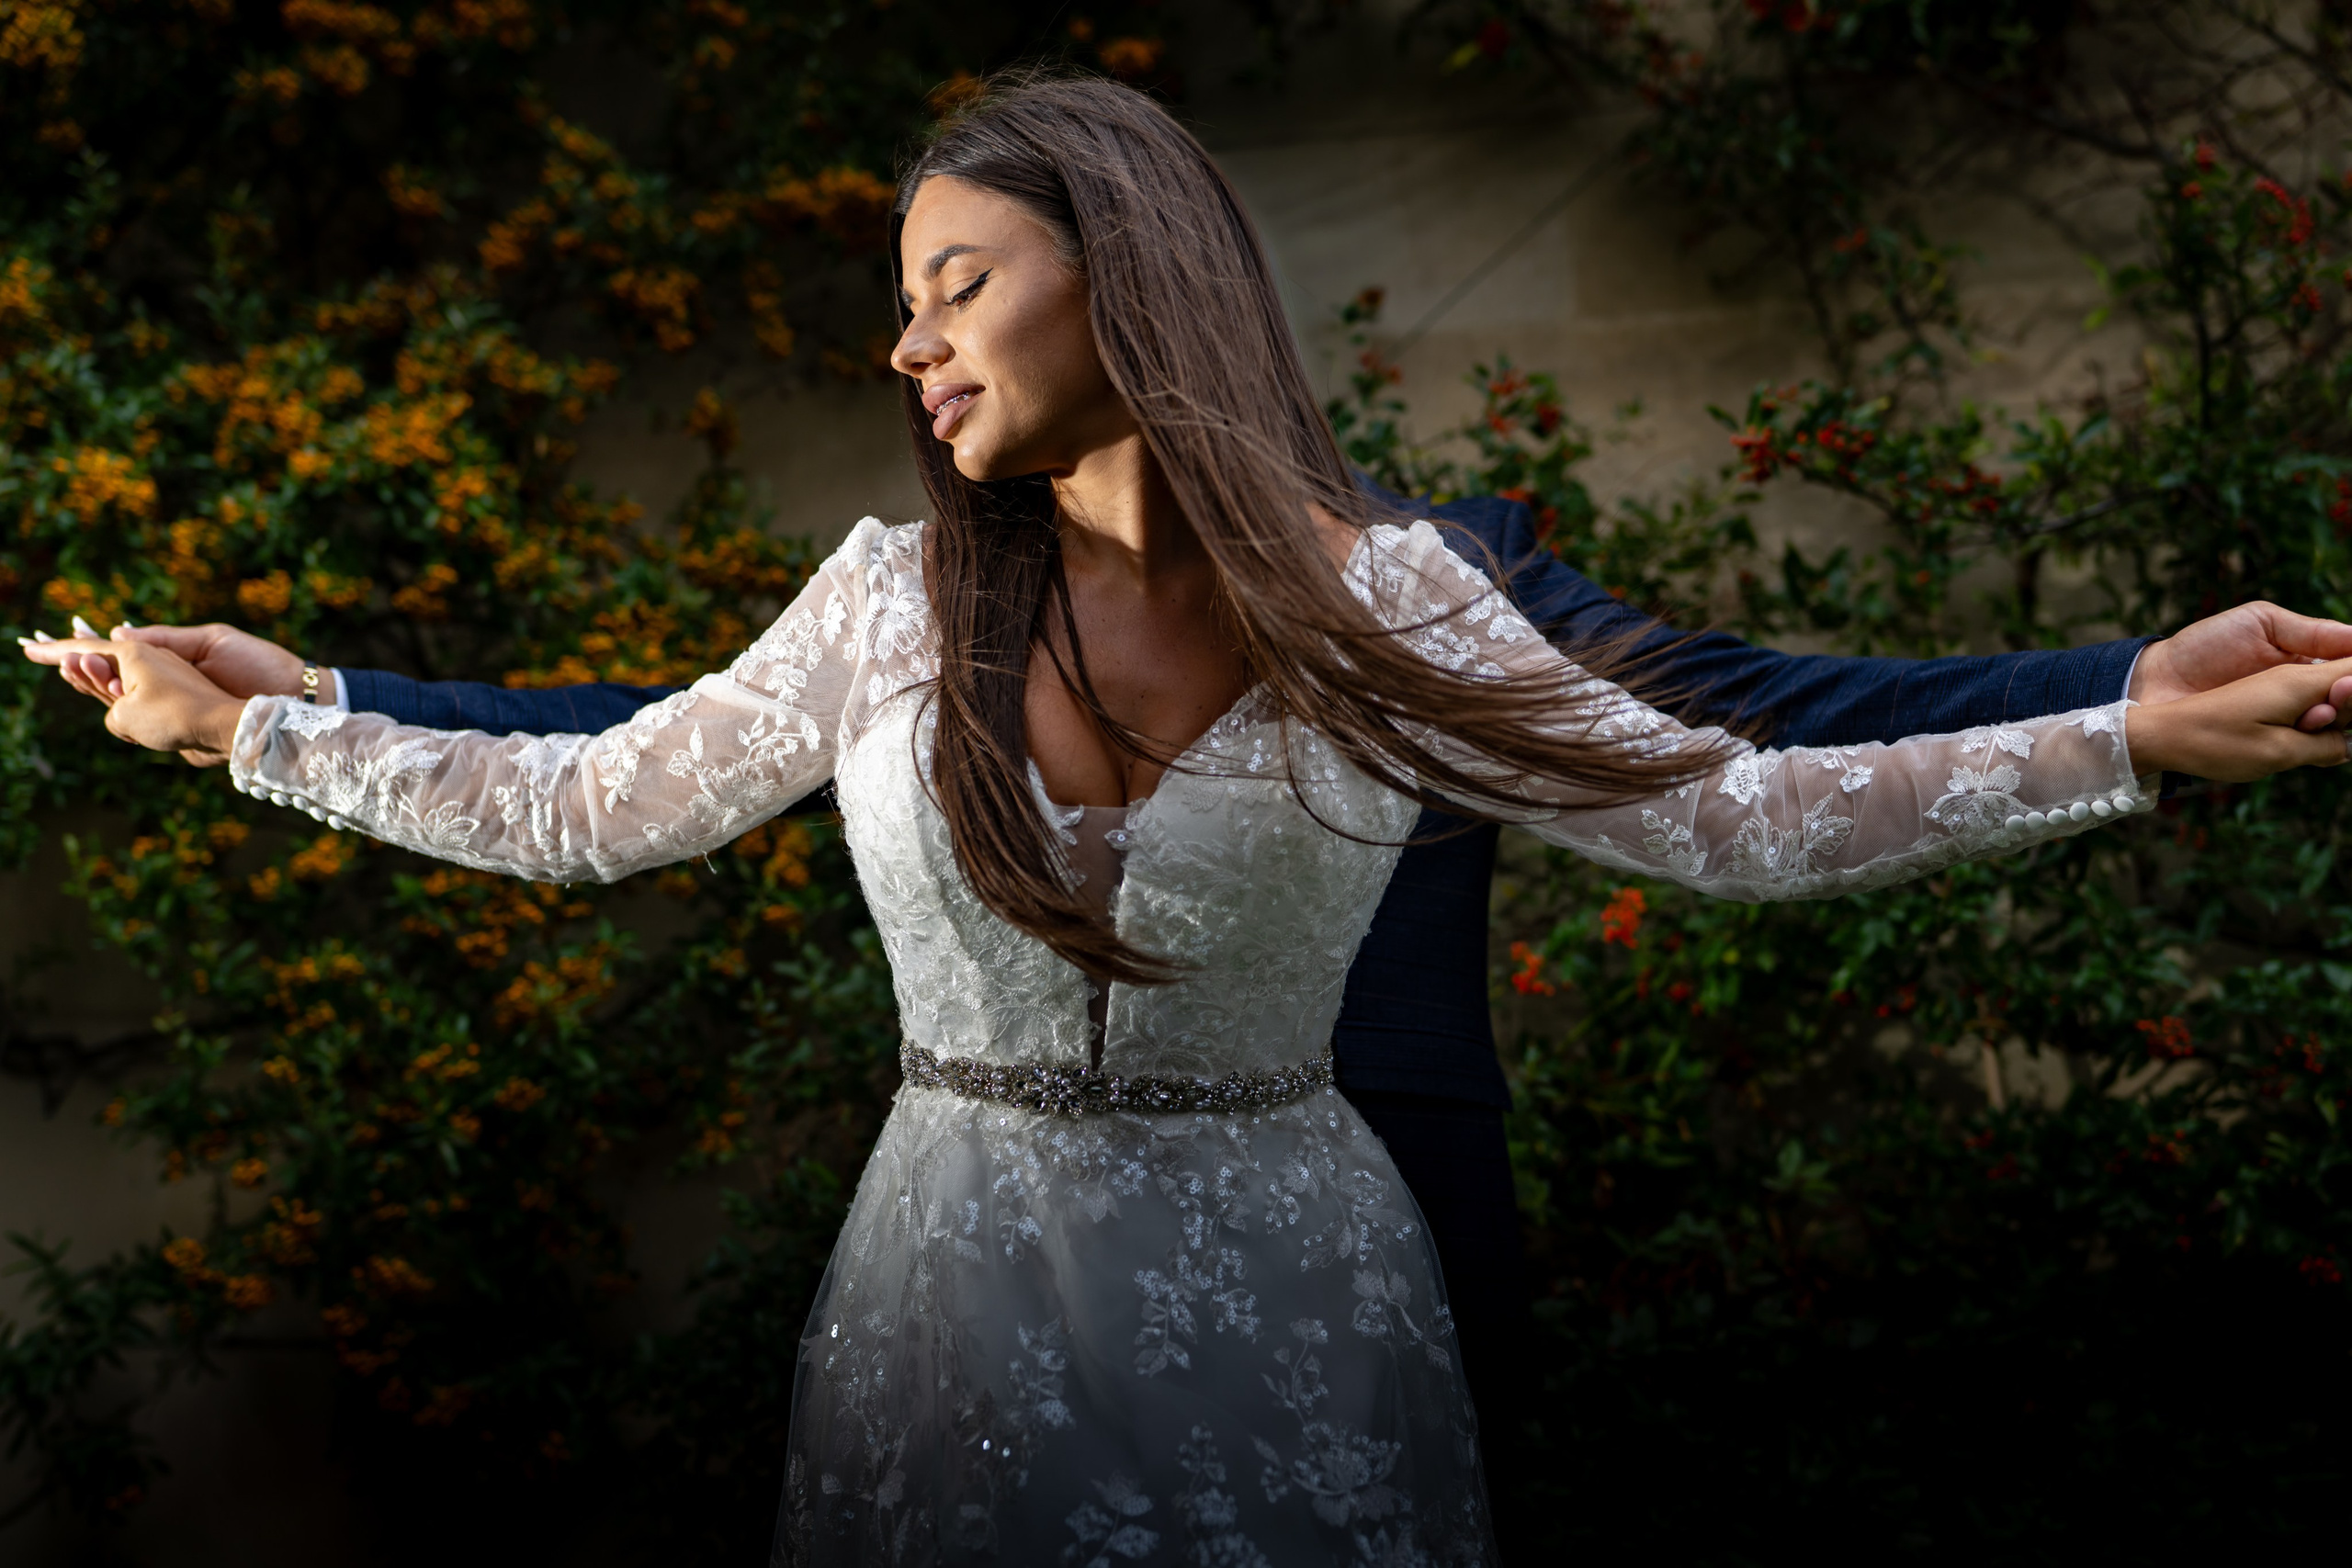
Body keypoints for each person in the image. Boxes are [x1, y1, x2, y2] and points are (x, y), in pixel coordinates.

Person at [26, 75, 2352, 1567]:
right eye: (901, 301)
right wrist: (263, 728)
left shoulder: (1400, 604)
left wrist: (2121, 728)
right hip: (945, 1296)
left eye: (955, 282)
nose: (908, 343)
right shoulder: (880, 603)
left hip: (1299, 1298)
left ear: (1125, 269)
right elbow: (586, 797)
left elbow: (1730, 803)